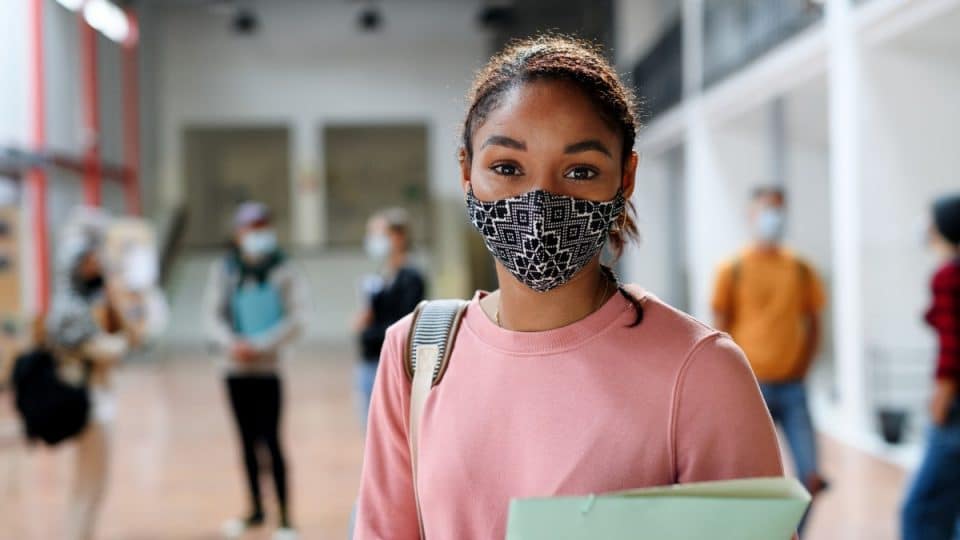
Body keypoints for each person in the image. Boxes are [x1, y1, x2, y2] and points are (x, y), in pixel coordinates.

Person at [354, 36, 787, 540]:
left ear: (624, 177)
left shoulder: (701, 371)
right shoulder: (418, 353)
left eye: (580, 171)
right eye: (507, 168)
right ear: (466, 172)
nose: (541, 202)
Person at [711, 187, 829, 518]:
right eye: (765, 210)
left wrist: (802, 367)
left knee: (810, 477)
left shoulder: (801, 268)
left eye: (778, 210)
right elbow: (719, 332)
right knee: (749, 483)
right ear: (750, 215)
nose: (773, 218)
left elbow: (815, 323)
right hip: (752, 388)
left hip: (793, 388)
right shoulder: (731, 268)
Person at [46, 207, 156, 540]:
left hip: (99, 399)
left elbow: (134, 336)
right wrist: (120, 338)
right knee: (89, 486)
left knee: (91, 486)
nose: (97, 265)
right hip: (89, 404)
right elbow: (107, 349)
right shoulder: (70, 309)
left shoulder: (90, 301)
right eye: (89, 260)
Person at [204, 202, 304, 540]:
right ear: (238, 232)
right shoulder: (226, 269)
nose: (256, 234)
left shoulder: (283, 270)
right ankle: (256, 509)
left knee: (271, 441)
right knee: (245, 443)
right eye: (249, 228)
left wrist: (260, 345)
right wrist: (231, 343)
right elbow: (212, 314)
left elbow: (296, 319)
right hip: (233, 368)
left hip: (267, 369)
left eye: (261, 226)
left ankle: (286, 517)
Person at [902, 193, 960, 540]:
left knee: (921, 511)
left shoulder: (947, 276)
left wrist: (941, 396)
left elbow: (953, 348)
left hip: (955, 407)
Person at [353, 208, 426, 427]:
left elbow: (403, 323)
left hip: (389, 361)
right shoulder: (382, 274)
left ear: (398, 236)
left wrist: (369, 328)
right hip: (370, 359)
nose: (374, 240)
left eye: (379, 234)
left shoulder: (410, 277)